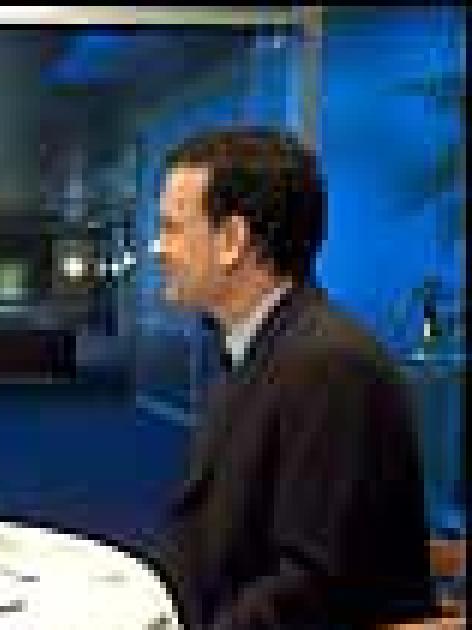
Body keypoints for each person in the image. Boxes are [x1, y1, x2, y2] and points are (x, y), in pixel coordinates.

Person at [154, 127, 434, 628]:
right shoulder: (259, 346)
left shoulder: (331, 366)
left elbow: (312, 589)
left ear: (232, 241)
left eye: (172, 228)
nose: (158, 248)